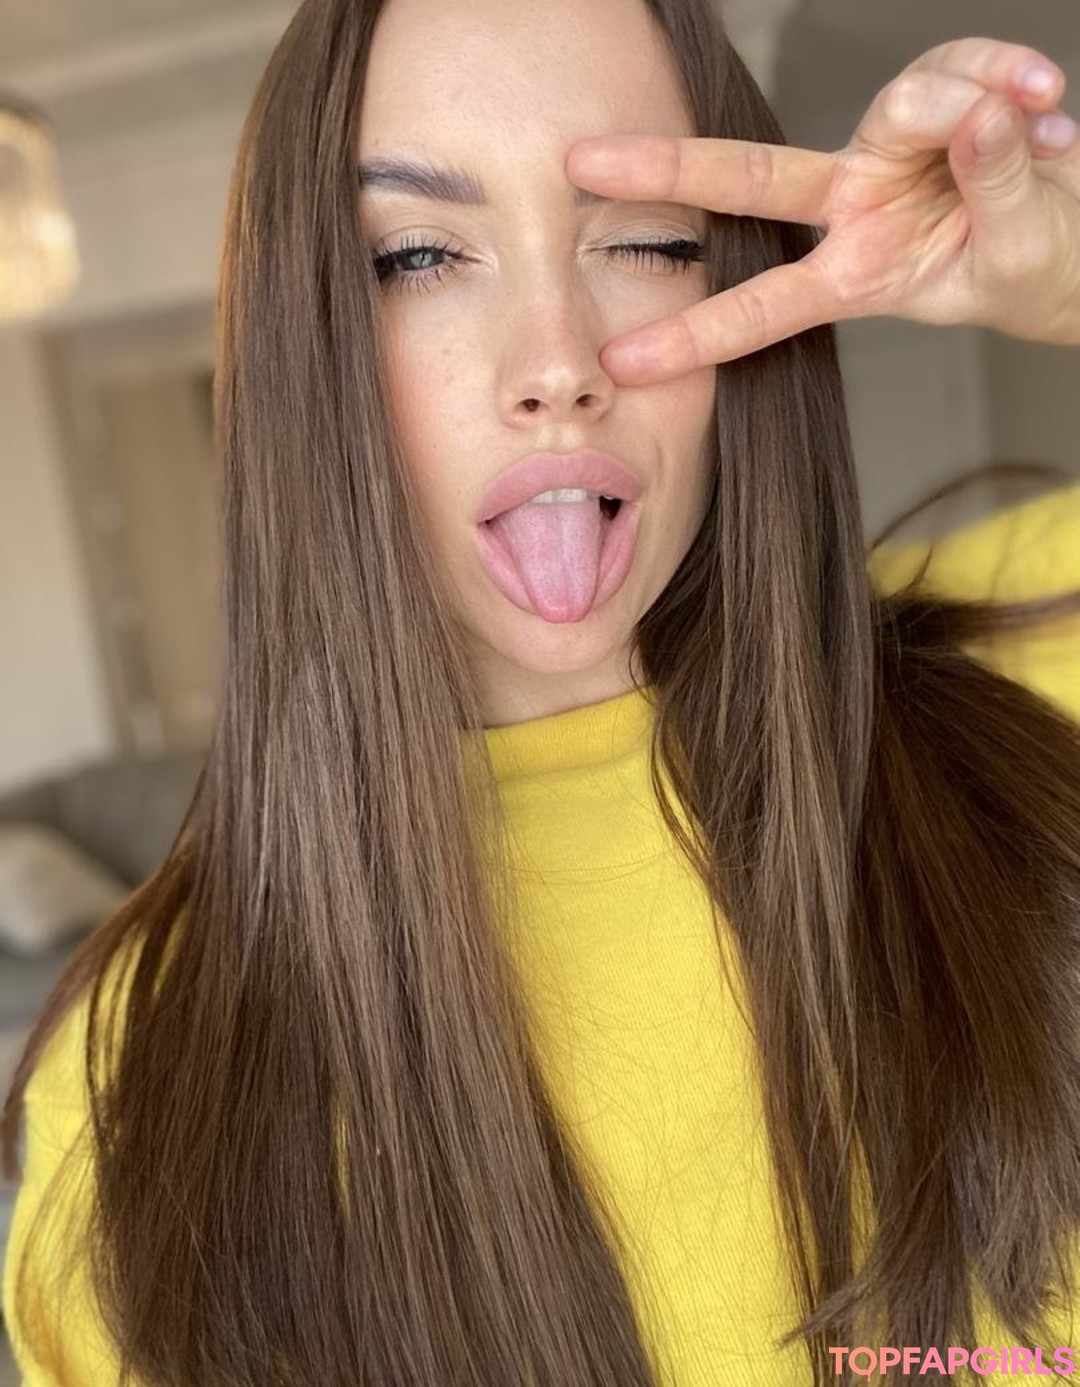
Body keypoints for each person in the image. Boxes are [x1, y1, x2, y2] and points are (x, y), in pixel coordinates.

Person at [3, 0, 1080, 1383]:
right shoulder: (136, 1087)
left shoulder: (1039, 662)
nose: (557, 364)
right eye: (417, 256)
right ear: (298, 351)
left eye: (647, 242)